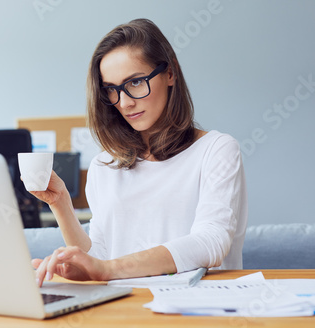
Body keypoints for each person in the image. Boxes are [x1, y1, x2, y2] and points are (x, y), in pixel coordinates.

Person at [29, 18, 247, 287]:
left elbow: (211, 242)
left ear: (170, 74)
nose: (125, 102)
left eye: (135, 82)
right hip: (125, 306)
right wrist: (60, 203)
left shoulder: (216, 150)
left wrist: (107, 269)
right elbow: (99, 257)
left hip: (196, 308)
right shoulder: (104, 164)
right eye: (112, 89)